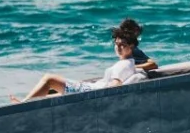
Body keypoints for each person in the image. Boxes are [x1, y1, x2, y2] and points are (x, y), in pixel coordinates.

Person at [20, 21, 150, 100]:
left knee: (49, 79)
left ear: (131, 46)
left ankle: (22, 106)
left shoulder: (123, 64)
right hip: (90, 89)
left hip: (88, 92)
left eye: (123, 45)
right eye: (116, 44)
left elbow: (115, 87)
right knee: (49, 95)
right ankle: (25, 104)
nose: (118, 48)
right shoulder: (130, 63)